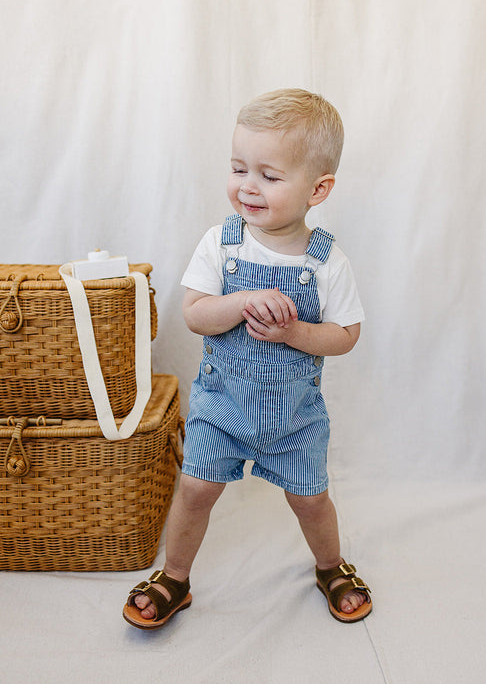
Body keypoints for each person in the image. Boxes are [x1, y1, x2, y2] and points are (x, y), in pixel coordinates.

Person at [123, 88, 372, 629]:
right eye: (239, 169)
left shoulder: (326, 261)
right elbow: (193, 314)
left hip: (295, 417)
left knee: (310, 499)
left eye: (269, 175)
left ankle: (330, 566)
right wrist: (236, 303)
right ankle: (176, 576)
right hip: (222, 405)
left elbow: (346, 334)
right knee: (194, 490)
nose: (247, 186)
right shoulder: (223, 244)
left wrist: (297, 332)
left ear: (318, 188)